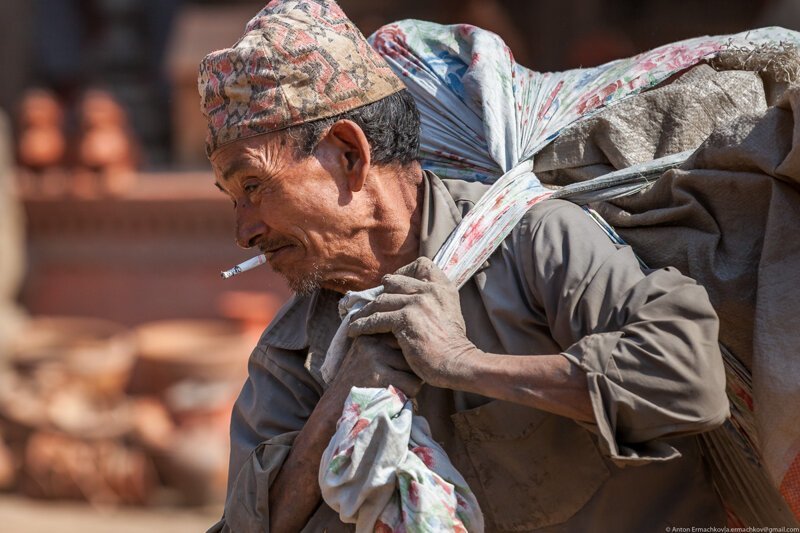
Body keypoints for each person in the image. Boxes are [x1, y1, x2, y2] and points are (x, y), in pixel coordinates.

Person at [199, 1, 730, 531]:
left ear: (348, 154)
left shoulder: (531, 240)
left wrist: (460, 362)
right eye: (232, 199)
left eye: (252, 186)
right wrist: (341, 400)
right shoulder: (292, 354)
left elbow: (689, 382)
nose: (243, 232)